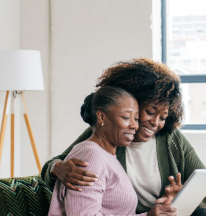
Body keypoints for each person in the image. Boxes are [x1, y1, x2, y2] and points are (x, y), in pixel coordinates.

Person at [42, 58, 206, 216]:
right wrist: (57, 168)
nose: (155, 122)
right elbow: (54, 166)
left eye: (163, 117)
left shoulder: (171, 139)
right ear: (133, 103)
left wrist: (182, 196)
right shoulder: (103, 137)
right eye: (149, 112)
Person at [48, 86, 177, 216]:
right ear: (102, 117)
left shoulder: (107, 155)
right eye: (126, 117)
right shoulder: (91, 156)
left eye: (136, 119)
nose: (134, 125)